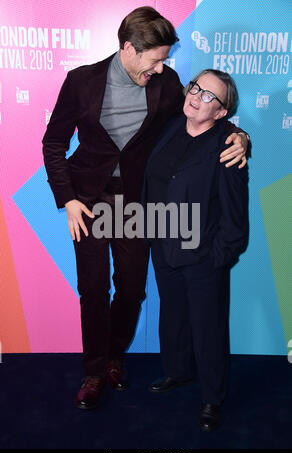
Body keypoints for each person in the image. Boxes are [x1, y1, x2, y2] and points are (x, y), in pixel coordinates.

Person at [42, 7, 248, 410]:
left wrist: (239, 135)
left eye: (166, 60)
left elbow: (203, 118)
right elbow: (53, 144)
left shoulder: (168, 84)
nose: (162, 67)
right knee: (94, 288)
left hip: (137, 202)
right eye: (156, 59)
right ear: (130, 49)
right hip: (87, 200)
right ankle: (95, 371)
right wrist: (67, 199)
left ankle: (116, 357)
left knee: (133, 289)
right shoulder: (81, 81)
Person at [143, 69, 249, 431]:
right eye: (196, 87)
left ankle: (212, 399)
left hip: (204, 256)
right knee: (172, 318)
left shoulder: (228, 147)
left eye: (208, 96)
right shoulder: (171, 126)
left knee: (208, 328)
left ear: (221, 113)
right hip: (164, 246)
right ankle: (177, 372)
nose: (196, 96)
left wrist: (217, 258)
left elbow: (235, 218)